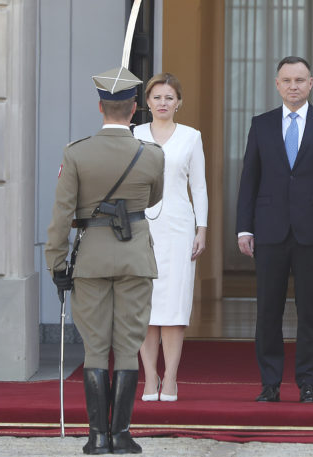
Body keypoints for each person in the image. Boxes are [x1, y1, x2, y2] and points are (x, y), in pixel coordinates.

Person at [44, 66, 164, 454]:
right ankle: (122, 435)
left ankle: (97, 437)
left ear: (100, 107)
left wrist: (57, 263)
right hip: (134, 258)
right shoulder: (151, 155)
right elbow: (153, 200)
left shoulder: (76, 153)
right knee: (128, 347)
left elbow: (62, 215)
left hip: (92, 259)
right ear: (134, 110)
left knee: (96, 347)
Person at [235, 56, 313, 403]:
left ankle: (309, 383)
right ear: (277, 84)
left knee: (311, 310)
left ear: (311, 83)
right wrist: (244, 228)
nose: (293, 86)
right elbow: (249, 181)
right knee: (268, 310)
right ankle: (270, 383)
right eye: (286, 80)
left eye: (300, 80)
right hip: (269, 230)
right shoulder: (261, 124)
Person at [134, 73, 208, 402]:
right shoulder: (132, 135)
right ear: (146, 103)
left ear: (179, 102)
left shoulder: (191, 137)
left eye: (169, 97)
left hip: (179, 227)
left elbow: (199, 187)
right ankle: (149, 377)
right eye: (157, 97)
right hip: (140, 227)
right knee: (144, 306)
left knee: (175, 306)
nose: (163, 103)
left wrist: (202, 228)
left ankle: (171, 378)